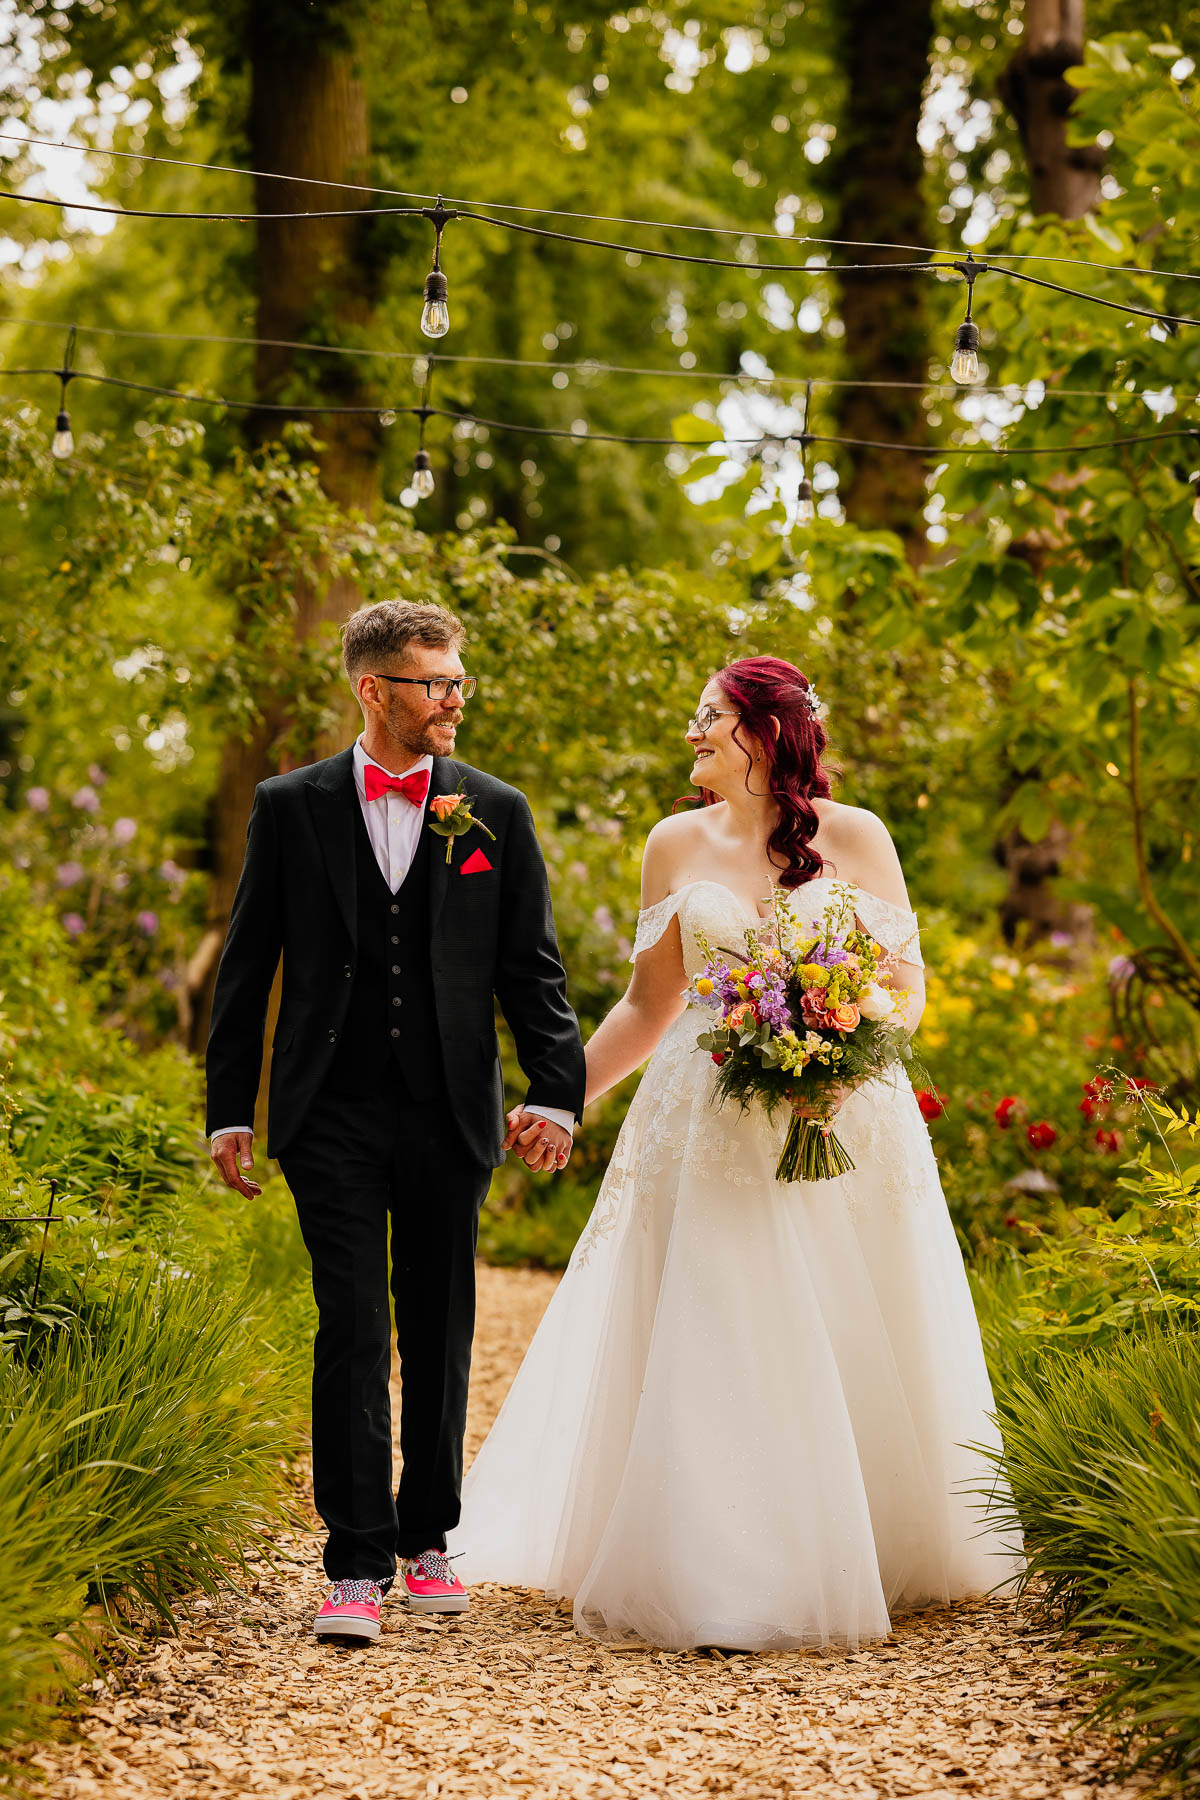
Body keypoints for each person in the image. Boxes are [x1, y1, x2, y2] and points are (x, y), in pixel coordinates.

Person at [450, 655, 1024, 1651]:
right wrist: (560, 1100)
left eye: (708, 718)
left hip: (841, 1114)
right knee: (714, 1321)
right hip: (705, 1118)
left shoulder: (856, 837)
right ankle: (716, 1565)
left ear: (765, 729)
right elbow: (647, 1005)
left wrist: (849, 1049)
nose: (693, 736)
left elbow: (905, 982)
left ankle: (863, 1542)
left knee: (843, 1316)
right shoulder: (672, 844)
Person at [206, 599, 585, 1645]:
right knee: (352, 1330)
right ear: (374, 690)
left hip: (448, 1107)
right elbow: (249, 966)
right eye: (436, 683)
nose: (455, 700)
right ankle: (354, 1564)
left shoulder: (495, 812)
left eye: (460, 681)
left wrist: (556, 1090)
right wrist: (228, 1110)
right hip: (327, 1109)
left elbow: (532, 969)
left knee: (439, 1326)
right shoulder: (291, 805)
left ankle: (428, 1541)